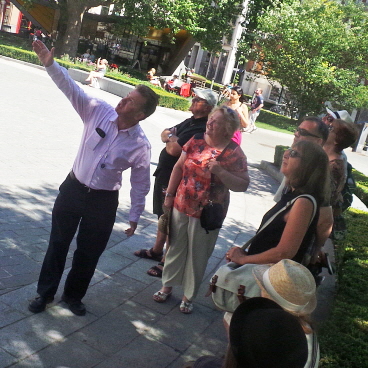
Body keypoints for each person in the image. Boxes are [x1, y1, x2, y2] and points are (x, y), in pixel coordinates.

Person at [28, 40, 159, 316]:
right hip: (73, 189)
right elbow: (71, 89)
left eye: (131, 101)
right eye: (128, 95)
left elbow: (140, 183)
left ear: (140, 114)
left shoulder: (140, 145)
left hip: (103, 201)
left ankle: (73, 297)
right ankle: (45, 293)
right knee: (58, 243)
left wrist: (135, 215)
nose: (123, 100)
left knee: (89, 252)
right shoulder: (98, 110)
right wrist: (50, 64)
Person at [153, 106, 249, 313]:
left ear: (227, 129)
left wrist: (221, 171)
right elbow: (179, 167)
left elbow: (242, 184)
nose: (210, 123)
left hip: (207, 213)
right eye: (211, 119)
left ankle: (188, 296)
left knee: (198, 255)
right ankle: (167, 286)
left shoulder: (234, 153)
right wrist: (169, 196)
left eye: (216, 121)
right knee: (175, 247)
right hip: (181, 204)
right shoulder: (196, 140)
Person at [134, 89, 218, 277]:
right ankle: (156, 251)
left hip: (178, 178)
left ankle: (166, 261)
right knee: (163, 215)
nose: (193, 100)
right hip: (165, 174)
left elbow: (173, 149)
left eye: (198, 99)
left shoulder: (201, 128)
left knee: (172, 219)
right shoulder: (190, 121)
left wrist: (170, 138)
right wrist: (170, 137)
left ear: (208, 107)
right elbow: (165, 133)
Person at [226, 140, 330, 267]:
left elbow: (284, 253)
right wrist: (248, 255)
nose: (285, 154)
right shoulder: (292, 195)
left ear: (308, 166)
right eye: (288, 150)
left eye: (293, 153)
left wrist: (243, 259)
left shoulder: (303, 202)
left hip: (269, 280)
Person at [273, 117, 332, 269]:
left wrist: (315, 250)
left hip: (283, 263)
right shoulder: (298, 163)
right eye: (297, 129)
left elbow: (326, 220)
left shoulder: (318, 170)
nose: (296, 134)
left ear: (319, 141)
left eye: (303, 132)